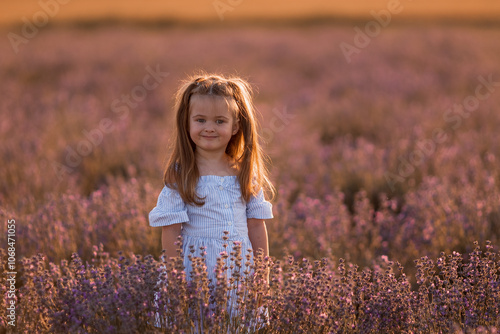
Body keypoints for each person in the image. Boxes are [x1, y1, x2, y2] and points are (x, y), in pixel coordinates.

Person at [149, 73, 275, 330]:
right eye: (200, 120)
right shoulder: (182, 174)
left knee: (236, 325)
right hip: (195, 272)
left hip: (238, 272)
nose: (209, 127)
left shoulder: (244, 173)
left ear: (236, 126)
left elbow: (256, 227)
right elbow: (171, 231)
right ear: (187, 123)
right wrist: (175, 282)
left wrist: (262, 275)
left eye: (220, 121)